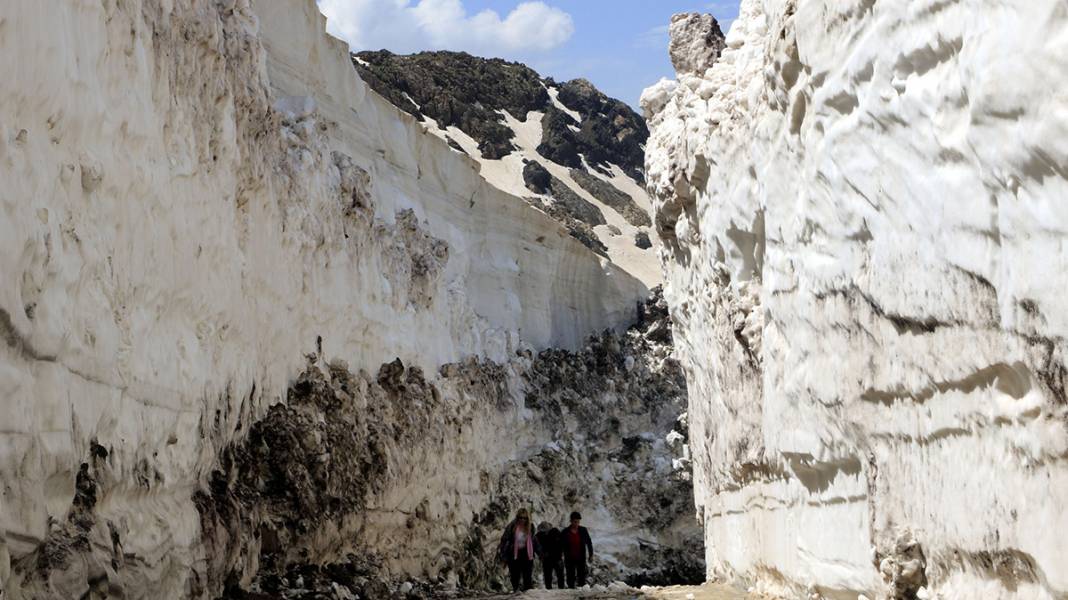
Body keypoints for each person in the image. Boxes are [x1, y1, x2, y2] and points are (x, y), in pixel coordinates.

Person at [498, 508, 539, 592]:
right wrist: (503, 554)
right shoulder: (512, 526)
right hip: (514, 553)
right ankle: (516, 591)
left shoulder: (530, 527)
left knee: (527, 575)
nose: (522, 520)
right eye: (520, 517)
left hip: (527, 553)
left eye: (524, 518)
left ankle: (528, 594)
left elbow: (534, 541)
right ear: (517, 518)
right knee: (514, 576)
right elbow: (505, 539)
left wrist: (540, 552)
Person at [563, 511, 593, 588]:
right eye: (575, 522)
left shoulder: (583, 530)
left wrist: (591, 555)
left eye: (578, 522)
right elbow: (561, 545)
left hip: (581, 556)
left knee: (581, 575)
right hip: (569, 557)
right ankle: (571, 590)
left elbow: (589, 542)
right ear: (571, 521)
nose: (576, 524)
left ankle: (581, 591)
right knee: (570, 576)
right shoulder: (565, 532)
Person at [535, 521, 564, 589]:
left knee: (560, 575)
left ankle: (561, 589)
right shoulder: (539, 535)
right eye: (543, 531)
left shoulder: (555, 531)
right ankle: (549, 590)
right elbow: (535, 545)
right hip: (547, 558)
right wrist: (541, 554)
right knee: (547, 576)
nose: (545, 532)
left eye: (546, 531)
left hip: (557, 557)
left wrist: (560, 555)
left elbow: (562, 544)